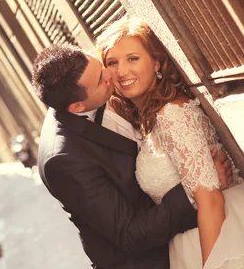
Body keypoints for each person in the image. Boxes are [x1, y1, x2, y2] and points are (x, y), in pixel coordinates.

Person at [32, 44, 233, 269]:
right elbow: (130, 234)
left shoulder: (87, 88)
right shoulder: (63, 160)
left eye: (100, 66)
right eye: (101, 80)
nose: (112, 74)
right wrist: (197, 186)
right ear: (77, 107)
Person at [97, 17, 244, 269]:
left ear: (156, 62)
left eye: (133, 58)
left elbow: (210, 201)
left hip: (223, 235)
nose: (122, 71)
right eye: (112, 62)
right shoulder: (147, 119)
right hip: (189, 241)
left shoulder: (172, 115)